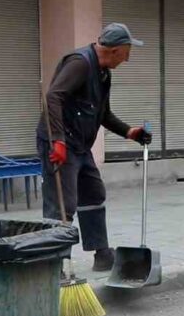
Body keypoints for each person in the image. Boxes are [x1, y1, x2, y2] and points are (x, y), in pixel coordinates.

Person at [38, 23, 153, 272]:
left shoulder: (103, 74)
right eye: (127, 52)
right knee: (62, 204)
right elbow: (53, 97)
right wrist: (57, 140)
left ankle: (102, 254)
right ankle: (55, 262)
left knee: (93, 193)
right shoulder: (80, 63)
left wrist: (129, 132)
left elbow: (103, 113)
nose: (128, 58)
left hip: (79, 145)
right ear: (115, 50)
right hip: (60, 143)